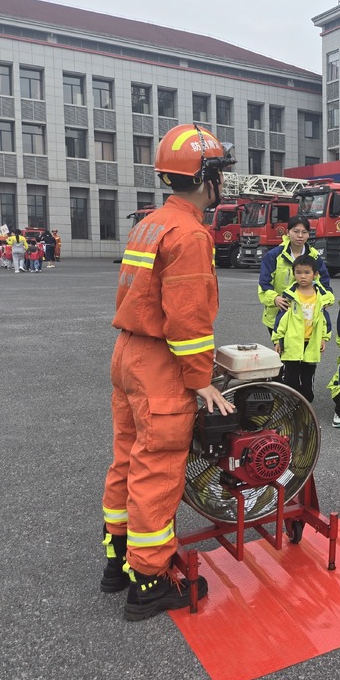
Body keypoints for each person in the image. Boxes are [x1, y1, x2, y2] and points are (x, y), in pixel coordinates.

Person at [101, 123, 236, 621]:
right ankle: (149, 582)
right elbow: (188, 319)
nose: (221, 182)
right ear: (205, 178)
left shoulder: (151, 222)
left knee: (127, 458)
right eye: (219, 172)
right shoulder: (190, 234)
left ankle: (117, 561)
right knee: (158, 469)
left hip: (128, 353)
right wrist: (202, 381)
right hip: (160, 363)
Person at [272, 253, 334, 407]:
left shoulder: (320, 296)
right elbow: (281, 320)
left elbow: (325, 320)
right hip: (292, 341)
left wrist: (324, 338)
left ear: (315, 274)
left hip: (311, 342)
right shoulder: (290, 296)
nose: (303, 276)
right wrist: (278, 340)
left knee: (307, 378)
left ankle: (305, 400)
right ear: (294, 274)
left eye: (307, 272)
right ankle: (292, 404)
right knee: (291, 378)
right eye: (298, 272)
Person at [257, 215, 331, 336]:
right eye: (296, 231)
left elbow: (324, 284)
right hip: (279, 315)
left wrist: (326, 299)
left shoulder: (314, 257)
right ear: (288, 232)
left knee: (306, 353)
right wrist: (275, 299)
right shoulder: (273, 256)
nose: (300, 235)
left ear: (308, 234)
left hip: (308, 317)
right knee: (285, 353)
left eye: (304, 232)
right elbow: (264, 284)